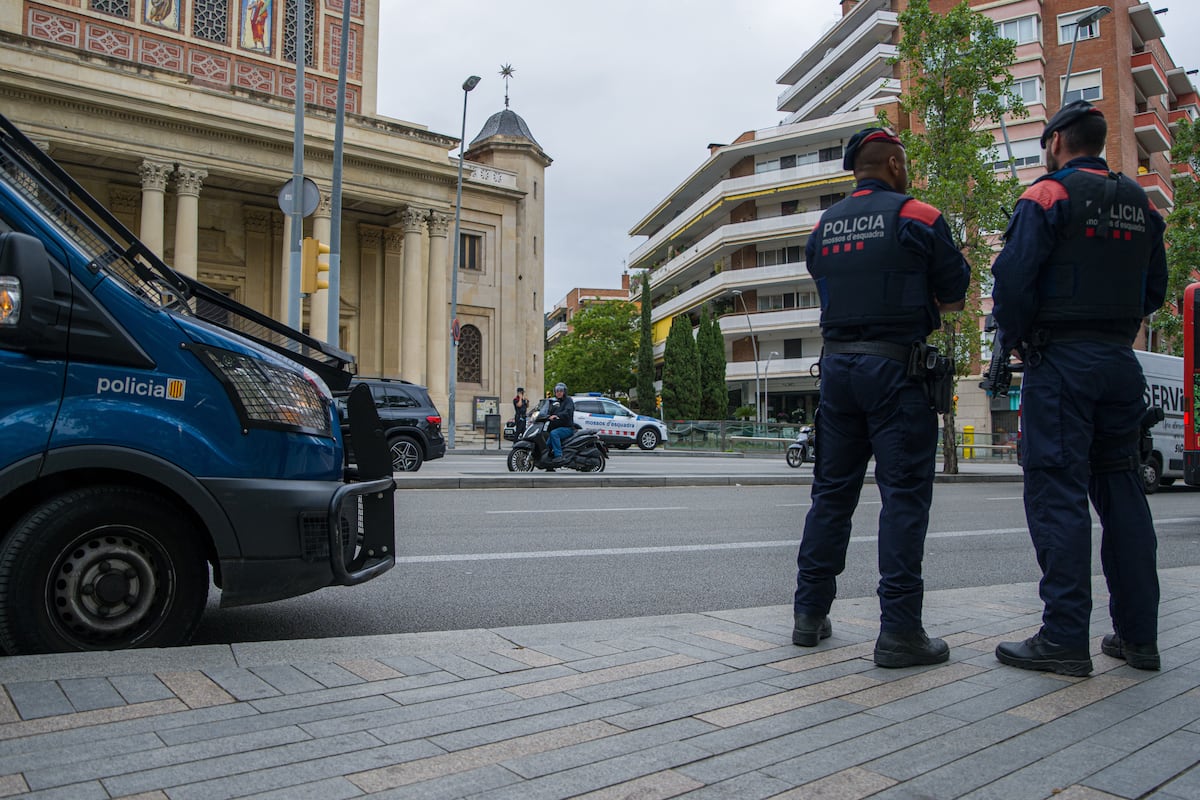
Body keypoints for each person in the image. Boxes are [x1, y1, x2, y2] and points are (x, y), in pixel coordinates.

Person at [991, 101, 1167, 677]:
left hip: (1062, 363)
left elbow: (1013, 280)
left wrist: (1017, 340)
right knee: (1121, 492)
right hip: (1120, 361)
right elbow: (1155, 291)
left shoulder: (1047, 196)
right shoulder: (1141, 202)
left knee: (1057, 493)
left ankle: (1064, 638)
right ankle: (1139, 638)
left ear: (1058, 140)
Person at [792, 127, 969, 668]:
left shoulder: (826, 225)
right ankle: (899, 631)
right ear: (893, 163)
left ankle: (808, 614)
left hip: (839, 371)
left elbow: (822, 274)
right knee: (903, 500)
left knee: (831, 496)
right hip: (897, 372)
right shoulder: (918, 215)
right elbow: (957, 293)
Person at [546, 382, 575, 465]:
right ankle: (549, 464)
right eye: (557, 391)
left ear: (564, 392)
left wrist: (557, 415)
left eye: (561, 391)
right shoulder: (556, 402)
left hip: (567, 428)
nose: (558, 392)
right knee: (547, 444)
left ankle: (559, 456)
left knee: (554, 434)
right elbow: (550, 410)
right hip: (558, 427)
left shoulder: (568, 401)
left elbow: (567, 412)